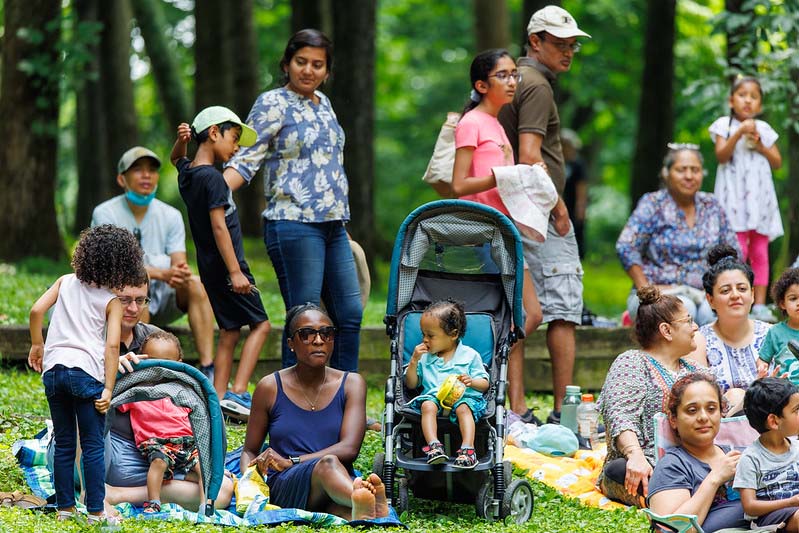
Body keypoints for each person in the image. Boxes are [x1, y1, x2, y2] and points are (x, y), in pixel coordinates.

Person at [223, 29, 363, 373]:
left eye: (318, 65)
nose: (308, 70)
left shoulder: (324, 104)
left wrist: (340, 222)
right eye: (301, 62)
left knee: (349, 313)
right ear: (287, 64)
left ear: (327, 72)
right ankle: (290, 402)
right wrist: (211, 193)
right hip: (292, 222)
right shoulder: (272, 103)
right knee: (304, 315)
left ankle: (346, 398)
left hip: (333, 225)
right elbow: (246, 158)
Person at [498, 5, 591, 424]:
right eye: (559, 43)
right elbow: (531, 155)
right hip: (537, 210)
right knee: (563, 309)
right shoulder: (535, 85)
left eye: (572, 44)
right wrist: (559, 204)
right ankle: (563, 411)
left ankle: (517, 408)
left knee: (522, 306)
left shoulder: (514, 80)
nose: (568, 51)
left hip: (515, 209)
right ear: (535, 41)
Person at [448, 48, 543, 423]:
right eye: (502, 75)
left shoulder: (499, 125)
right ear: (481, 84)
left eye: (514, 74)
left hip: (506, 232)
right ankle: (505, 399)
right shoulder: (471, 122)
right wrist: (504, 176)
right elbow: (459, 184)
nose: (512, 81)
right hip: (483, 233)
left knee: (528, 315)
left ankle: (512, 402)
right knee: (519, 317)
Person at [27, 225, 144, 523]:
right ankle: (95, 511)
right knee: (92, 446)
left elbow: (36, 311)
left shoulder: (64, 282)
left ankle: (64, 510)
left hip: (54, 372)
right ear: (123, 264)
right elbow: (111, 348)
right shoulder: (110, 302)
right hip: (85, 375)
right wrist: (107, 389)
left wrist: (38, 345)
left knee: (65, 442)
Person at [171, 106, 271, 422]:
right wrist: (236, 272)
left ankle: (218, 396)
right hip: (229, 266)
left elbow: (176, 159)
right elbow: (219, 226)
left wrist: (180, 142)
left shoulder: (189, 174)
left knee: (229, 330)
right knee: (261, 324)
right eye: (234, 138)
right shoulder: (213, 178)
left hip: (209, 266)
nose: (237, 147)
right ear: (214, 133)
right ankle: (239, 390)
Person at [241, 303, 386, 520]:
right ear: (291, 343)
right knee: (327, 464)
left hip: (335, 483)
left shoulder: (351, 384)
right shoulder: (269, 387)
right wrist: (248, 485)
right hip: (286, 483)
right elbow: (250, 451)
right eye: (307, 334)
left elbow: (349, 448)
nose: (318, 341)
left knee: (343, 511)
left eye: (326, 333)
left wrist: (294, 460)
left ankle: (363, 510)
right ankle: (367, 500)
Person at [92, 146, 216, 380]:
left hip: (165, 296)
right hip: (122, 296)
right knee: (135, 291)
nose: (146, 175)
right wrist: (160, 273)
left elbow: (179, 264)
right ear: (122, 179)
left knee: (197, 285)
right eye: (138, 170)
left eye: (152, 170)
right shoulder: (105, 213)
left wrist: (178, 273)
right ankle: (139, 367)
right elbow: (112, 268)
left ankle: (208, 367)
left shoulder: (171, 215)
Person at [598, 285, 700, 507]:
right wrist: (635, 455)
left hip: (697, 463)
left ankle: (691, 494)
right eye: (689, 321)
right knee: (619, 470)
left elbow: (725, 414)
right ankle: (686, 497)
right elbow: (621, 415)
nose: (696, 327)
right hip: (649, 466)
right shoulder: (632, 362)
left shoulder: (696, 370)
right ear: (666, 330)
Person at [617, 144, 738, 326]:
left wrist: (721, 287)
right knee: (683, 309)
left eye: (695, 170)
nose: (689, 176)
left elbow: (732, 252)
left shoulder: (711, 205)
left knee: (714, 311)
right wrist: (646, 289)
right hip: (659, 293)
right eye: (681, 170)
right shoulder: (653, 204)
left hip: (705, 292)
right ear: (667, 173)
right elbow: (626, 246)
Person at [710, 76, 783, 321]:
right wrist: (739, 132)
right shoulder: (724, 125)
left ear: (760, 105)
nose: (748, 100)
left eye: (754, 96)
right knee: (736, 250)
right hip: (734, 204)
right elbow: (721, 155)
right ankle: (735, 298)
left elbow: (777, 162)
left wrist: (761, 144)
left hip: (759, 204)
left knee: (761, 253)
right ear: (731, 100)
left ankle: (760, 304)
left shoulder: (763, 129)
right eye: (743, 95)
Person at [648, 373, 748, 532]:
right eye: (692, 410)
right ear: (673, 419)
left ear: (721, 413)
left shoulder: (741, 455)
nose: (703, 417)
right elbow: (673, 529)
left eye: (711, 409)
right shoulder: (672, 466)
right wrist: (715, 478)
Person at [116, 331, 201, 514]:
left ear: (179, 364)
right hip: (156, 444)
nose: (159, 369)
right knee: (159, 463)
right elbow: (111, 402)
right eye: (153, 361)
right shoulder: (135, 390)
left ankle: (206, 503)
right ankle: (153, 501)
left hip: (186, 442)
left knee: (203, 467)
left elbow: (199, 417)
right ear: (141, 359)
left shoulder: (184, 390)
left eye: (166, 363)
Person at [404, 300, 489, 469]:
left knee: (464, 408)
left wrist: (472, 382)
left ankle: (468, 449)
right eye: (423, 334)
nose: (425, 340)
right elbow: (412, 384)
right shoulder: (425, 357)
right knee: (427, 405)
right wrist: (413, 361)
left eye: (431, 335)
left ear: (453, 334)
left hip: (463, 397)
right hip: (434, 397)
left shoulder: (469, 356)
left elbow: (485, 383)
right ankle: (434, 446)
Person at [691, 244, 772, 412]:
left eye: (742, 289)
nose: (735, 295)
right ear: (710, 299)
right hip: (722, 430)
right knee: (735, 395)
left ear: (752, 294)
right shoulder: (699, 340)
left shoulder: (772, 334)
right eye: (725, 290)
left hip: (775, 424)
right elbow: (700, 398)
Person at [733, 377, 799, 530]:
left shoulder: (796, 447)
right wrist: (791, 502)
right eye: (796, 410)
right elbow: (750, 506)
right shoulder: (751, 458)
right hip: (770, 517)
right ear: (774, 422)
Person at [757, 268, 799, 384]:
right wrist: (762, 369)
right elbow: (763, 359)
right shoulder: (775, 332)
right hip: (784, 392)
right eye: (793, 298)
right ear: (782, 304)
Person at [560, 129, 588, 259]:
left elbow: (581, 187)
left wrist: (581, 207)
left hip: (572, 204)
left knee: (575, 231)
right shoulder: (557, 162)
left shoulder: (578, 164)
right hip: (559, 202)